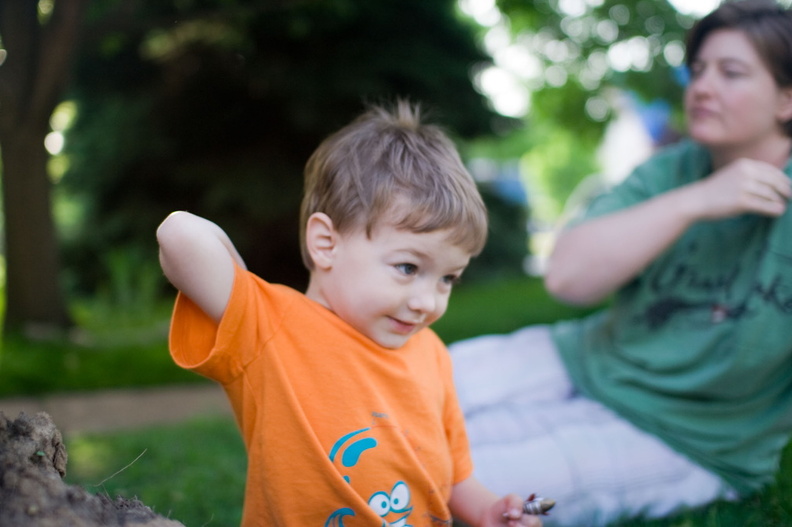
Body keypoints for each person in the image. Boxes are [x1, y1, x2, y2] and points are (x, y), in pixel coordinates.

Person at [449, 1, 792, 525]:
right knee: (399, 384)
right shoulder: (673, 169)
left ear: (787, 99)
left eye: (731, 73)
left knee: (448, 479)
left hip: (683, 435)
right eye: (698, 70)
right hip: (583, 358)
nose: (700, 87)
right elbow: (567, 278)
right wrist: (695, 201)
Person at [157, 101, 544, 527]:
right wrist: (247, 302)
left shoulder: (431, 354)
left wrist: (489, 512)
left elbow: (454, 481)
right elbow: (179, 234)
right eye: (408, 268)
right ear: (326, 243)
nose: (428, 301)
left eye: (448, 278)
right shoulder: (272, 327)